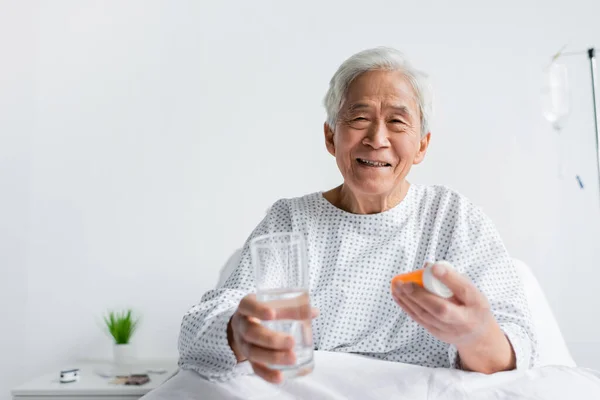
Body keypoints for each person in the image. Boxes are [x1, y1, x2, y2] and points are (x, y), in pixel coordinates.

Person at [177, 47, 538, 384]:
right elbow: (198, 331)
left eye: (397, 122)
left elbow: (516, 345)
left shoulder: (454, 218)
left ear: (422, 146)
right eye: (360, 117)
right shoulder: (291, 219)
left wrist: (475, 335)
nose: (377, 138)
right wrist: (238, 333)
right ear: (331, 137)